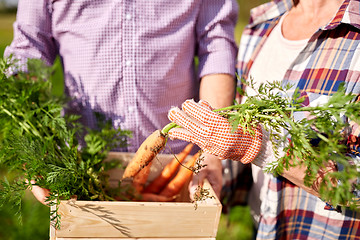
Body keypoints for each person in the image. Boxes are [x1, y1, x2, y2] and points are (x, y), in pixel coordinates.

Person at [4, 0, 239, 203]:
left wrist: (211, 151)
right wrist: (33, 149)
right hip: (81, 169)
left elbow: (216, 44)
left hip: (180, 167)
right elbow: (29, 50)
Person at [167, 0, 360, 239]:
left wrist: (257, 145)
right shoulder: (262, 23)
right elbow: (241, 128)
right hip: (263, 228)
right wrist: (216, 163)